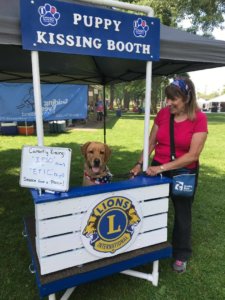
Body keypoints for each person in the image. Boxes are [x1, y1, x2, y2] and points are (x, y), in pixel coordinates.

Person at [131, 78, 208, 273]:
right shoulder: (163, 114)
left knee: (182, 213)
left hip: (184, 171)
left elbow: (193, 155)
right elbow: (151, 142)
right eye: (167, 98)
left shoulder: (199, 118)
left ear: (187, 98)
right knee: (149, 208)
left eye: (174, 99)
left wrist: (162, 168)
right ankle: (146, 248)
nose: (168, 103)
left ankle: (181, 254)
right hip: (157, 167)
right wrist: (140, 164)